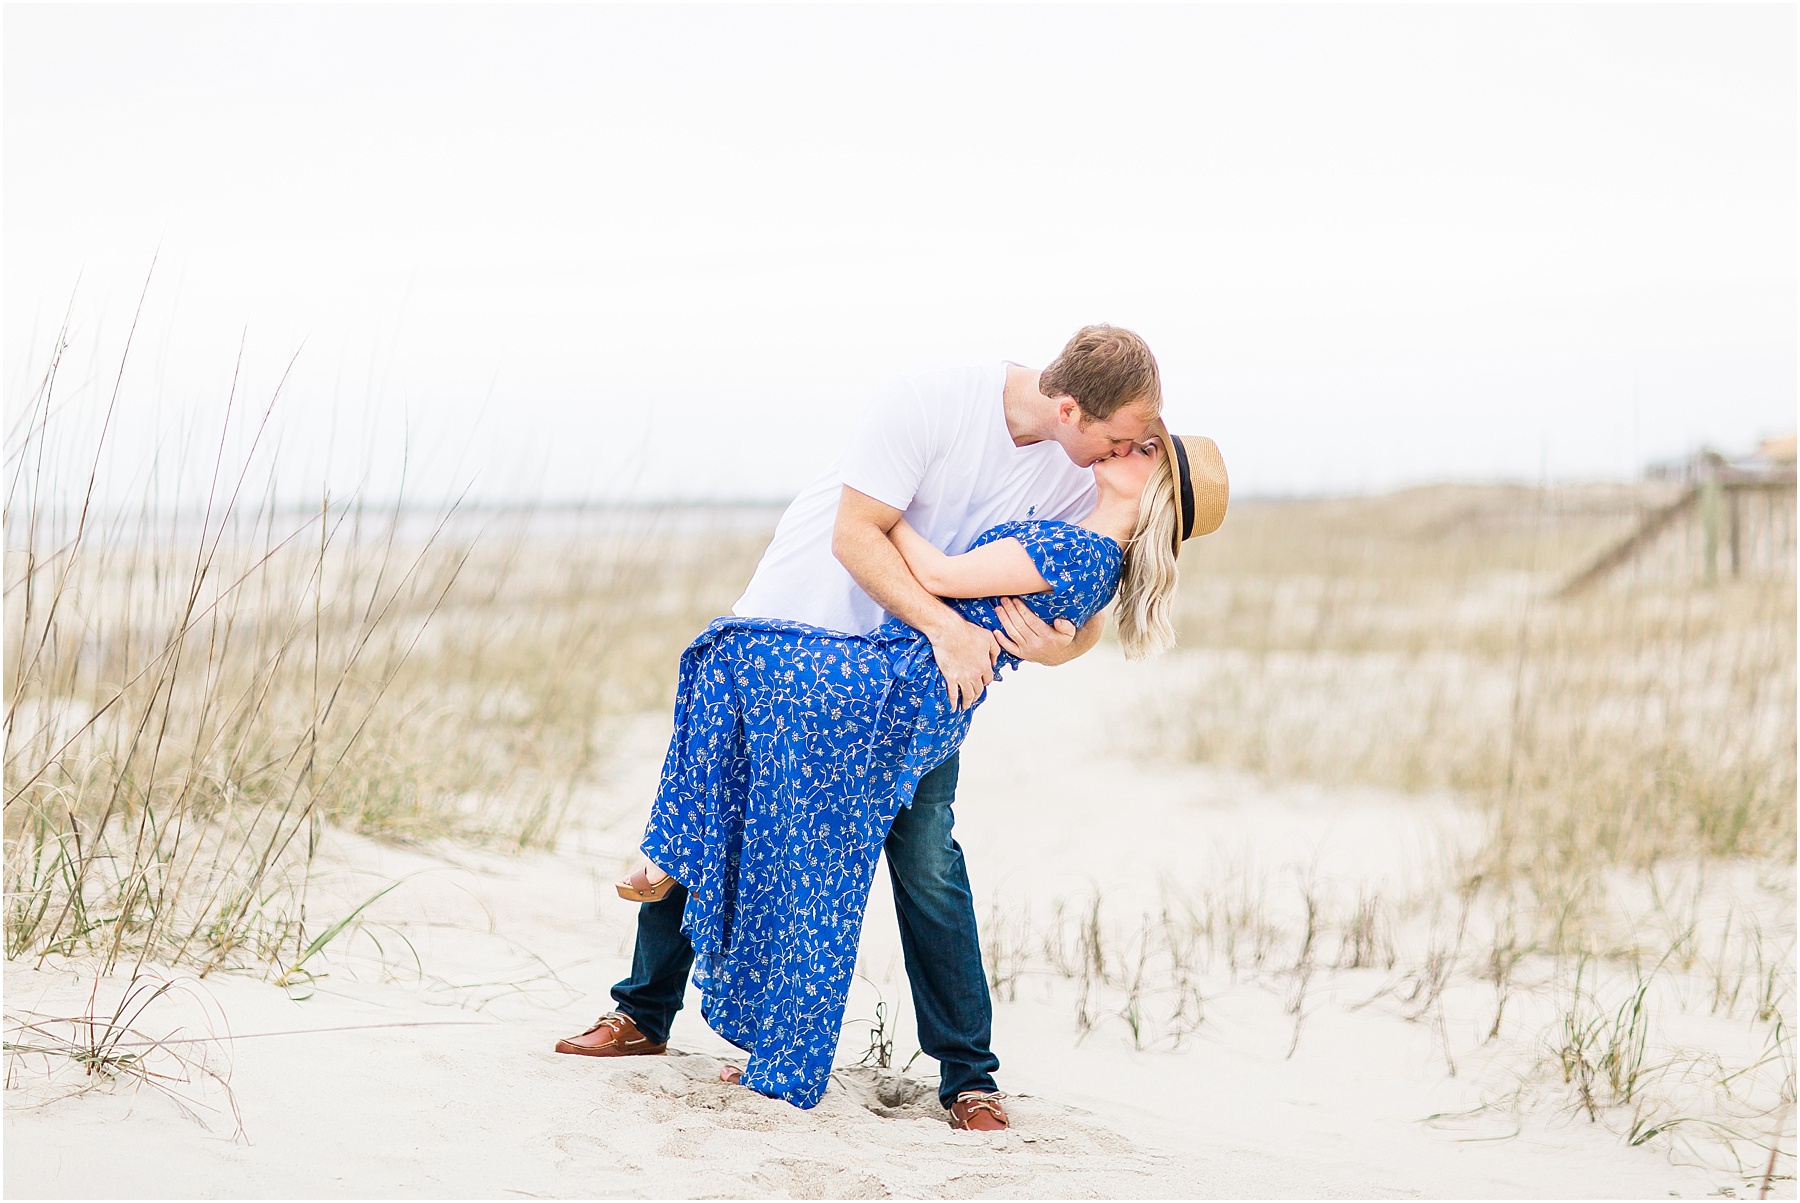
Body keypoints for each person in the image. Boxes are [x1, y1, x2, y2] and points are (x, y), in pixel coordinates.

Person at [556, 326, 1194, 1126]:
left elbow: (1084, 596)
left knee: (927, 856)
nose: (1125, 450)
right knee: (733, 799)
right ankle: (643, 1012)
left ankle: (969, 1077)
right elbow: (855, 534)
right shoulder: (933, 400)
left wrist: (1062, 649)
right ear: (1070, 408)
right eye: (1118, 437)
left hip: (914, 684)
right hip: (803, 621)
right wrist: (948, 627)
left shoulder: (1084, 471)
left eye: (1137, 444)